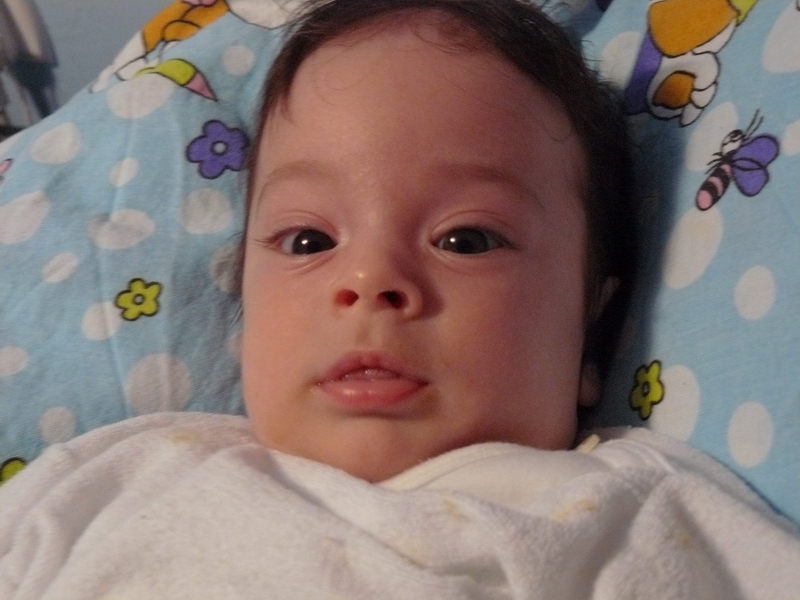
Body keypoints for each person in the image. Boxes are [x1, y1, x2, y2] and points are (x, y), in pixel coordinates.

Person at [0, 1, 797, 598]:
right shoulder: (112, 480)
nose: (370, 280)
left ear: (592, 331)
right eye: (308, 241)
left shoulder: (634, 514)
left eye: (466, 239)